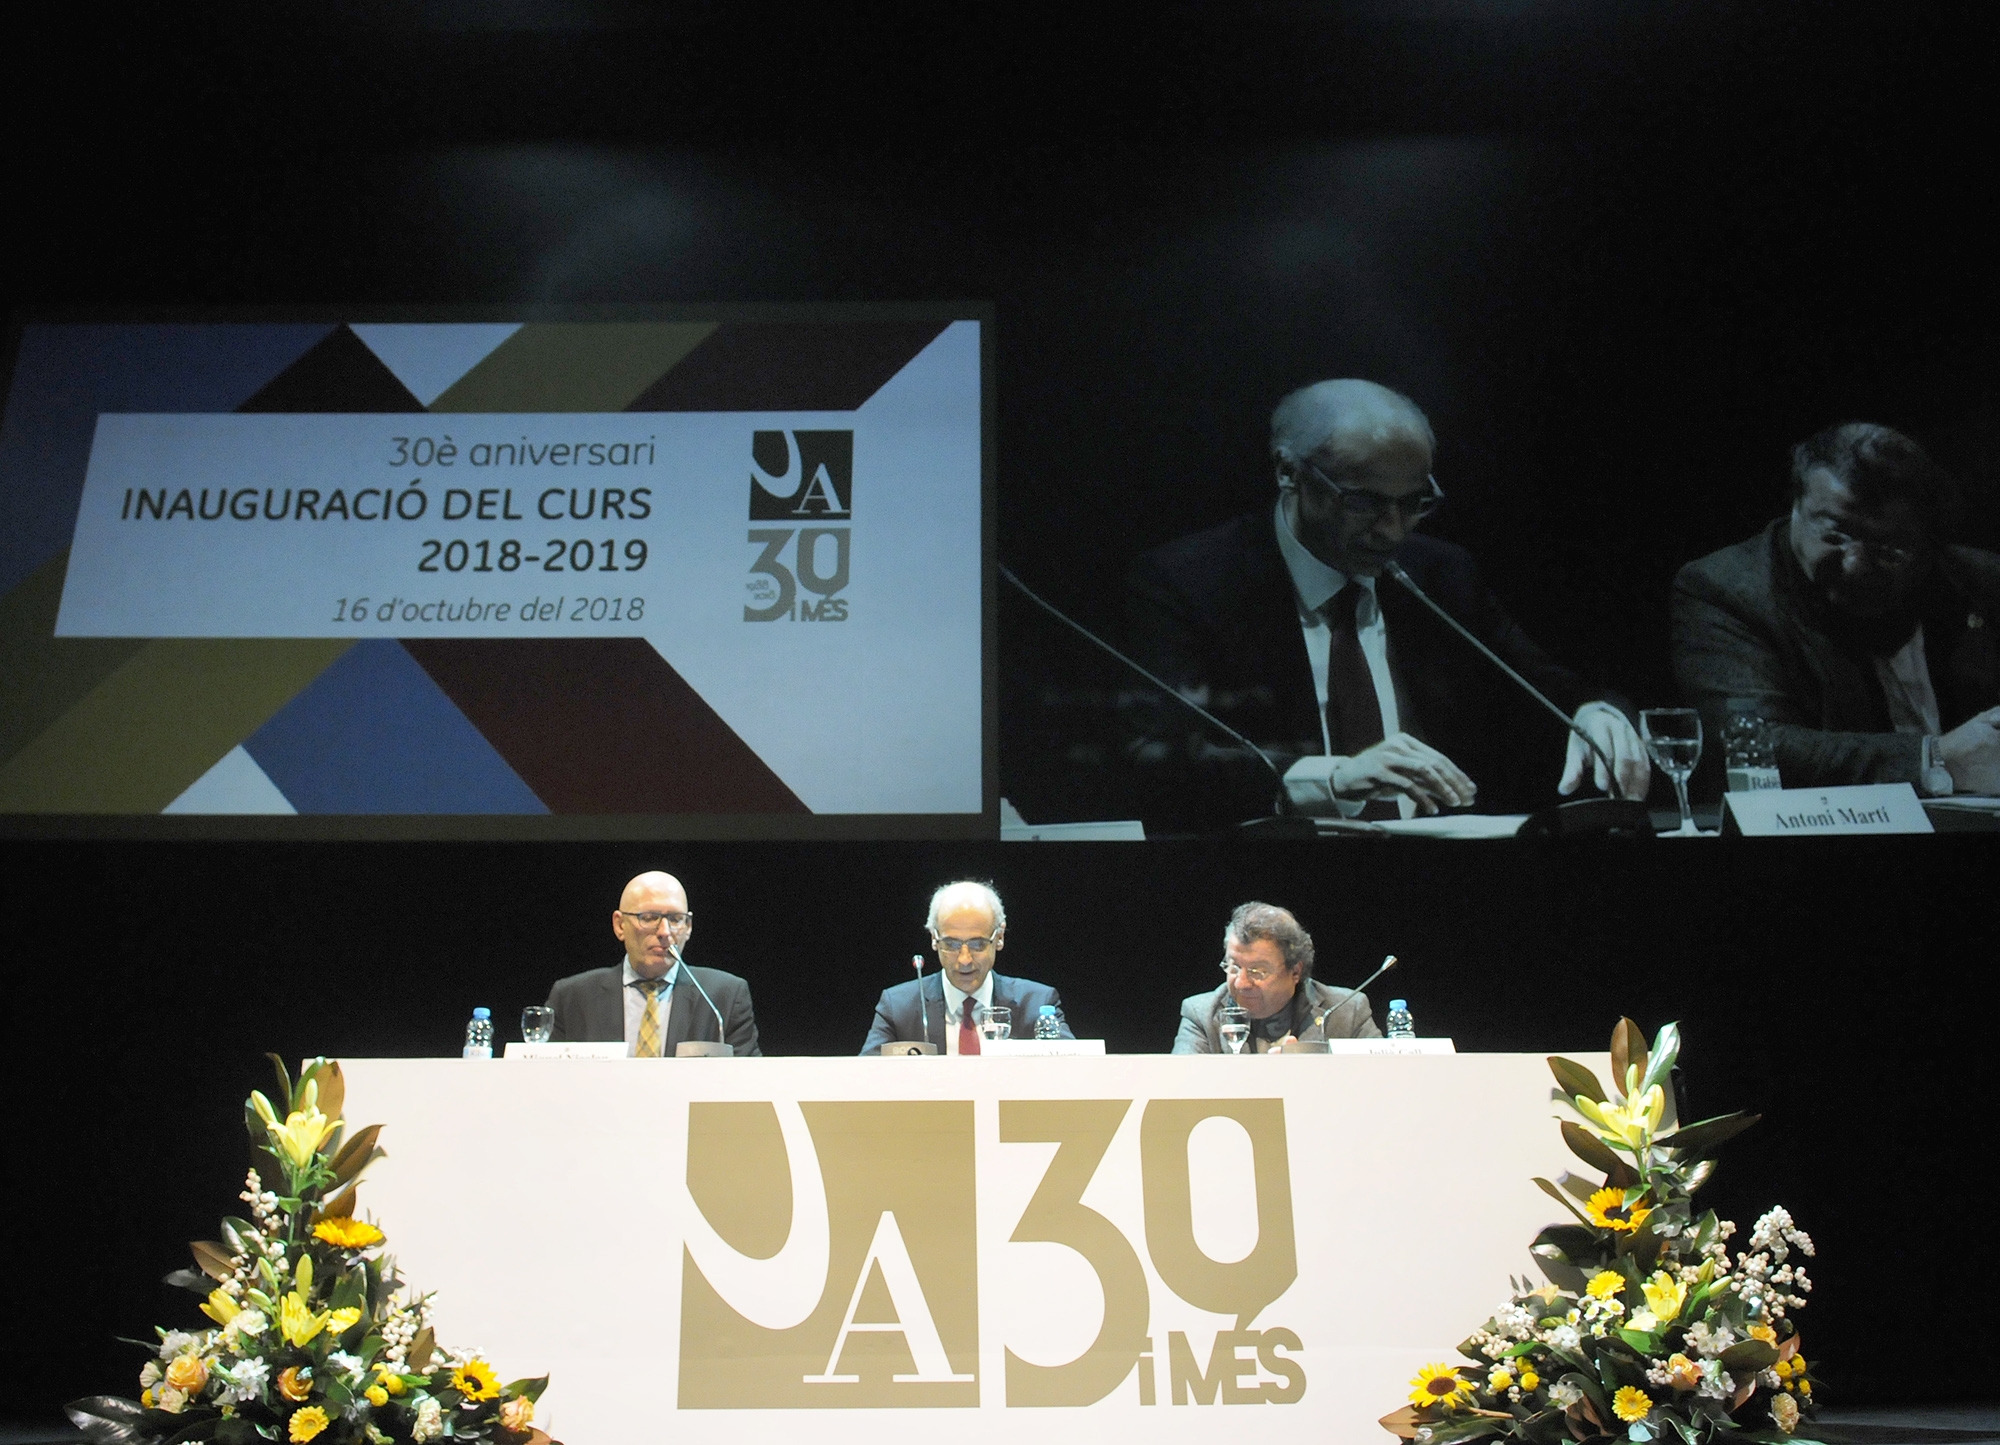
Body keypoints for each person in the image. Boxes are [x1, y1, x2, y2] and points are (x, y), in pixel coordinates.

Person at [1124, 378, 1648, 828]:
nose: (1393, 530)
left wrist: (1596, 713)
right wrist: (1333, 777)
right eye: (1365, 501)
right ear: (1289, 472)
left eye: (1415, 502)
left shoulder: (1439, 573)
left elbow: (1552, 687)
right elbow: (1154, 758)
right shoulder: (1189, 581)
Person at [1671, 422, 2000, 795]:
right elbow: (1756, 746)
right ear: (1796, 507)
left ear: (1927, 541)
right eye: (1834, 536)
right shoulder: (1725, 590)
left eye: (1890, 551)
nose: (1855, 566)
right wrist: (1935, 759)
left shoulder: (1983, 582)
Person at [545, 870, 761, 1056]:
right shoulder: (572, 997)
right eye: (648, 918)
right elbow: (542, 1079)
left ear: (688, 927)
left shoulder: (724, 996)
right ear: (620, 925)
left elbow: (750, 1083)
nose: (665, 932)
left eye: (676, 919)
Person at [861, 880, 1074, 1054]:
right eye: (951, 944)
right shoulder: (898, 1007)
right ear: (934, 939)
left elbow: (1080, 1074)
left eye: (977, 944)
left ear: (999, 937)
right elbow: (862, 1082)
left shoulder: (1037, 1005)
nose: (964, 959)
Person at [1172, 902, 1380, 1053]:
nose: (1241, 983)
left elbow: (1383, 1083)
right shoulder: (1201, 1015)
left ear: (1295, 972)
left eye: (1257, 971)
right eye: (1234, 966)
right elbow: (1179, 1093)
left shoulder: (1346, 1011)